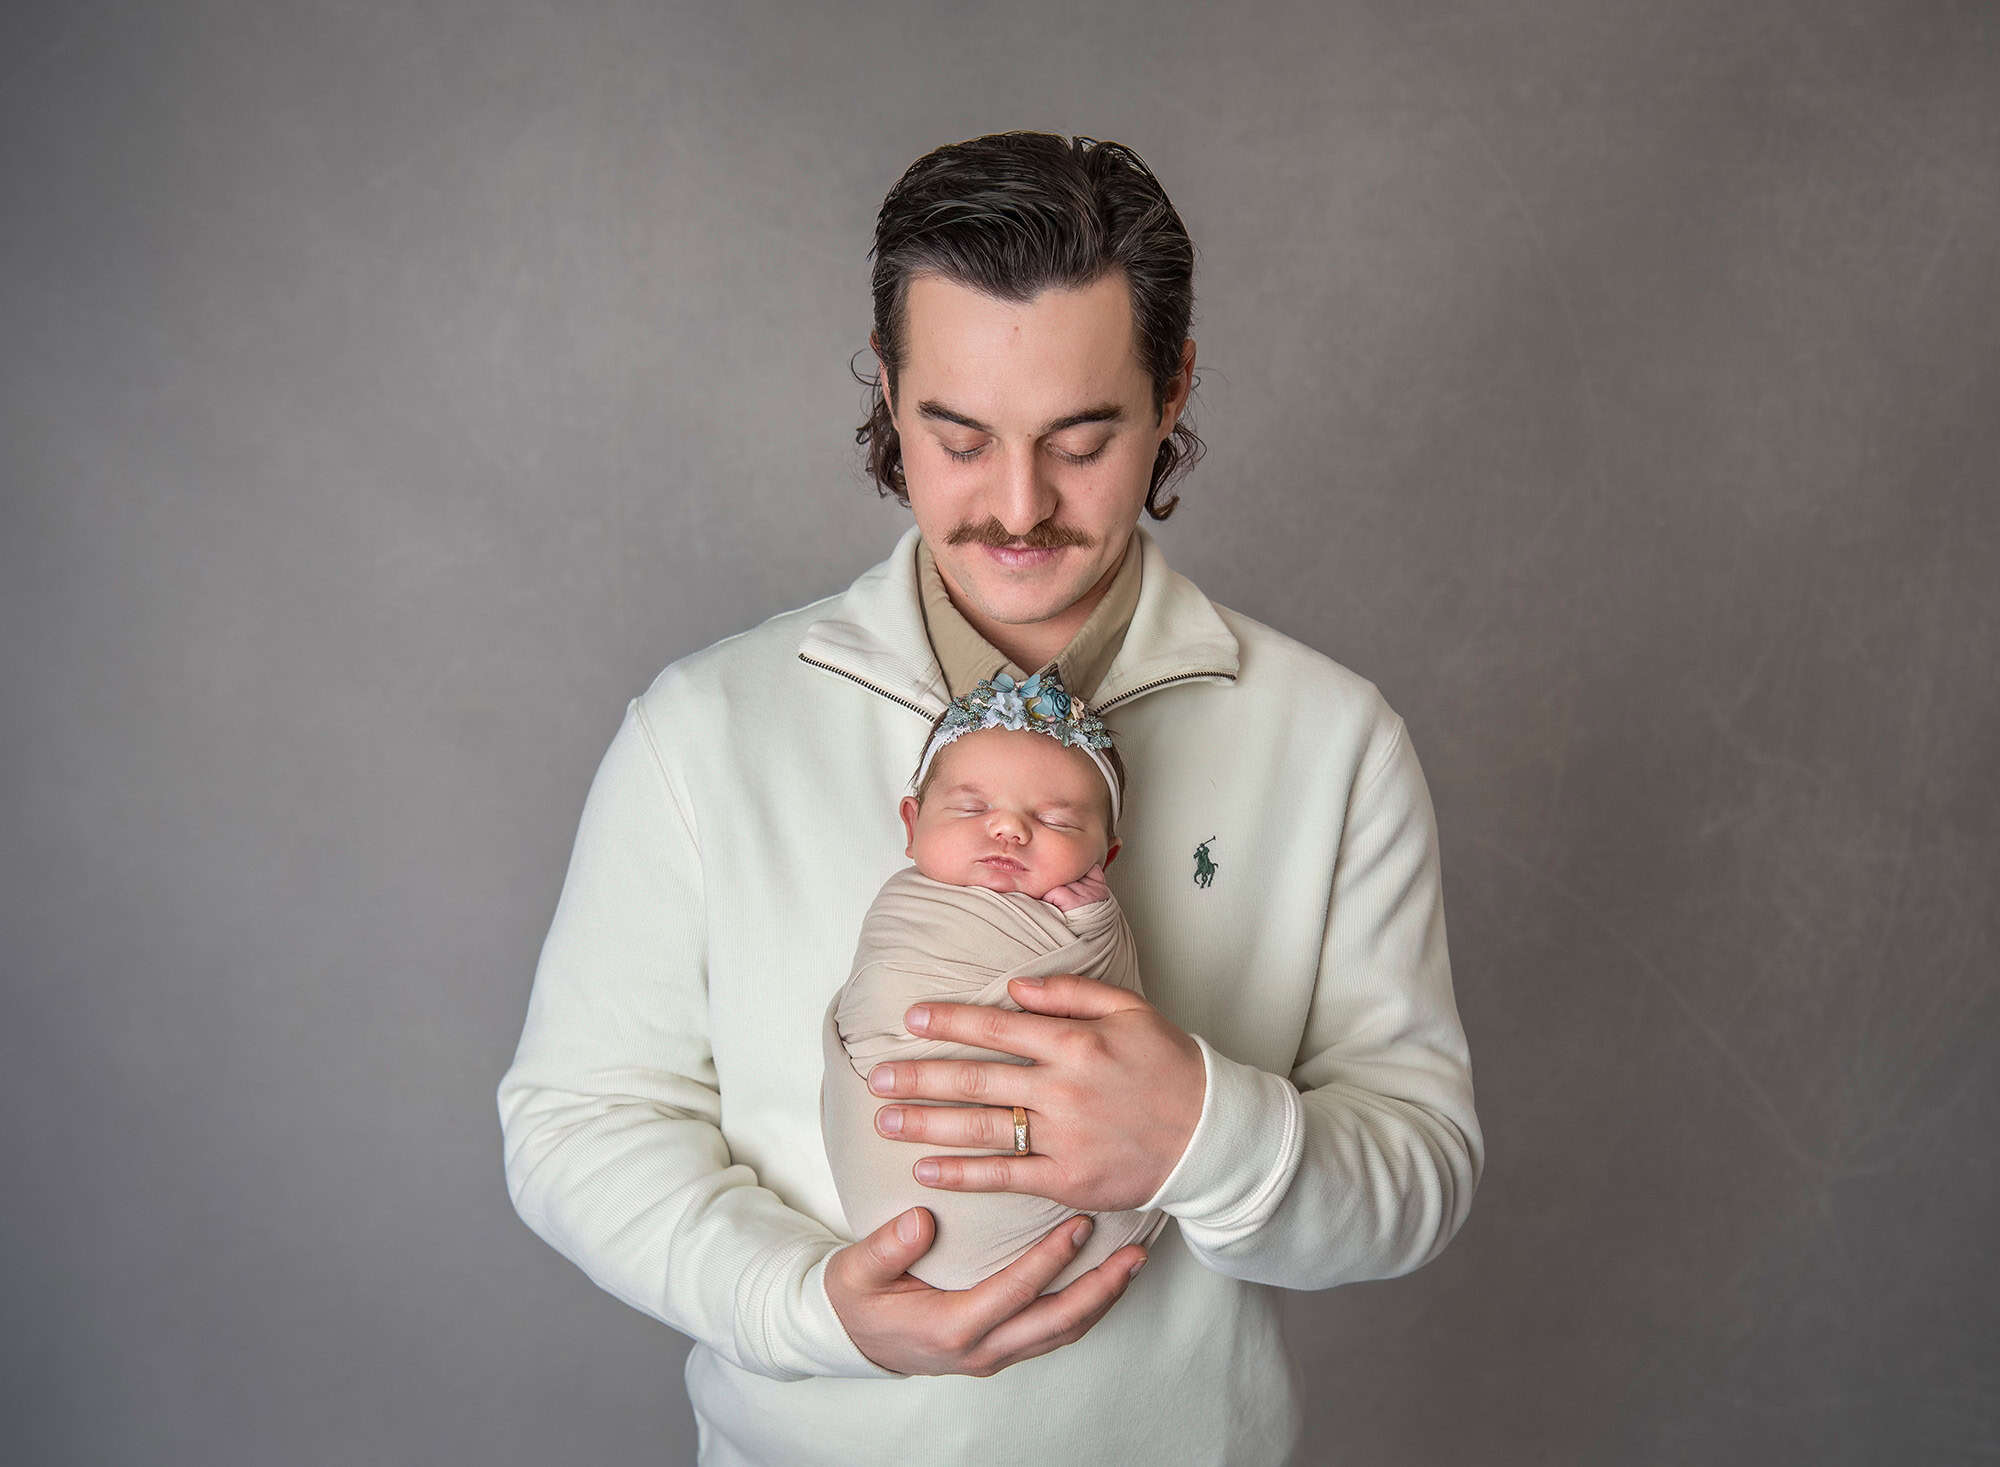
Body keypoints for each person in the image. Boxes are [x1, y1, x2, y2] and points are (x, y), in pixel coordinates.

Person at [496, 130, 1483, 1467]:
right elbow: (577, 1121)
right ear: (888, 385)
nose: (1019, 509)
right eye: (956, 437)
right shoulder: (703, 730)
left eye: (1083, 439)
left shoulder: (1334, 739)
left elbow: (1417, 1173)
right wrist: (809, 1304)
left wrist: (1208, 1130)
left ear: (1174, 385)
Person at [820, 666, 1171, 1294]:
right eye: (971, 807)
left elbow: (1124, 1028)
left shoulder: (1095, 928)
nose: (1009, 829)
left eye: (1059, 821)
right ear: (911, 824)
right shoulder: (901, 912)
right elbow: (881, 1010)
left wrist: (1095, 927)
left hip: (1090, 1219)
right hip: (899, 1193)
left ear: (1106, 856)